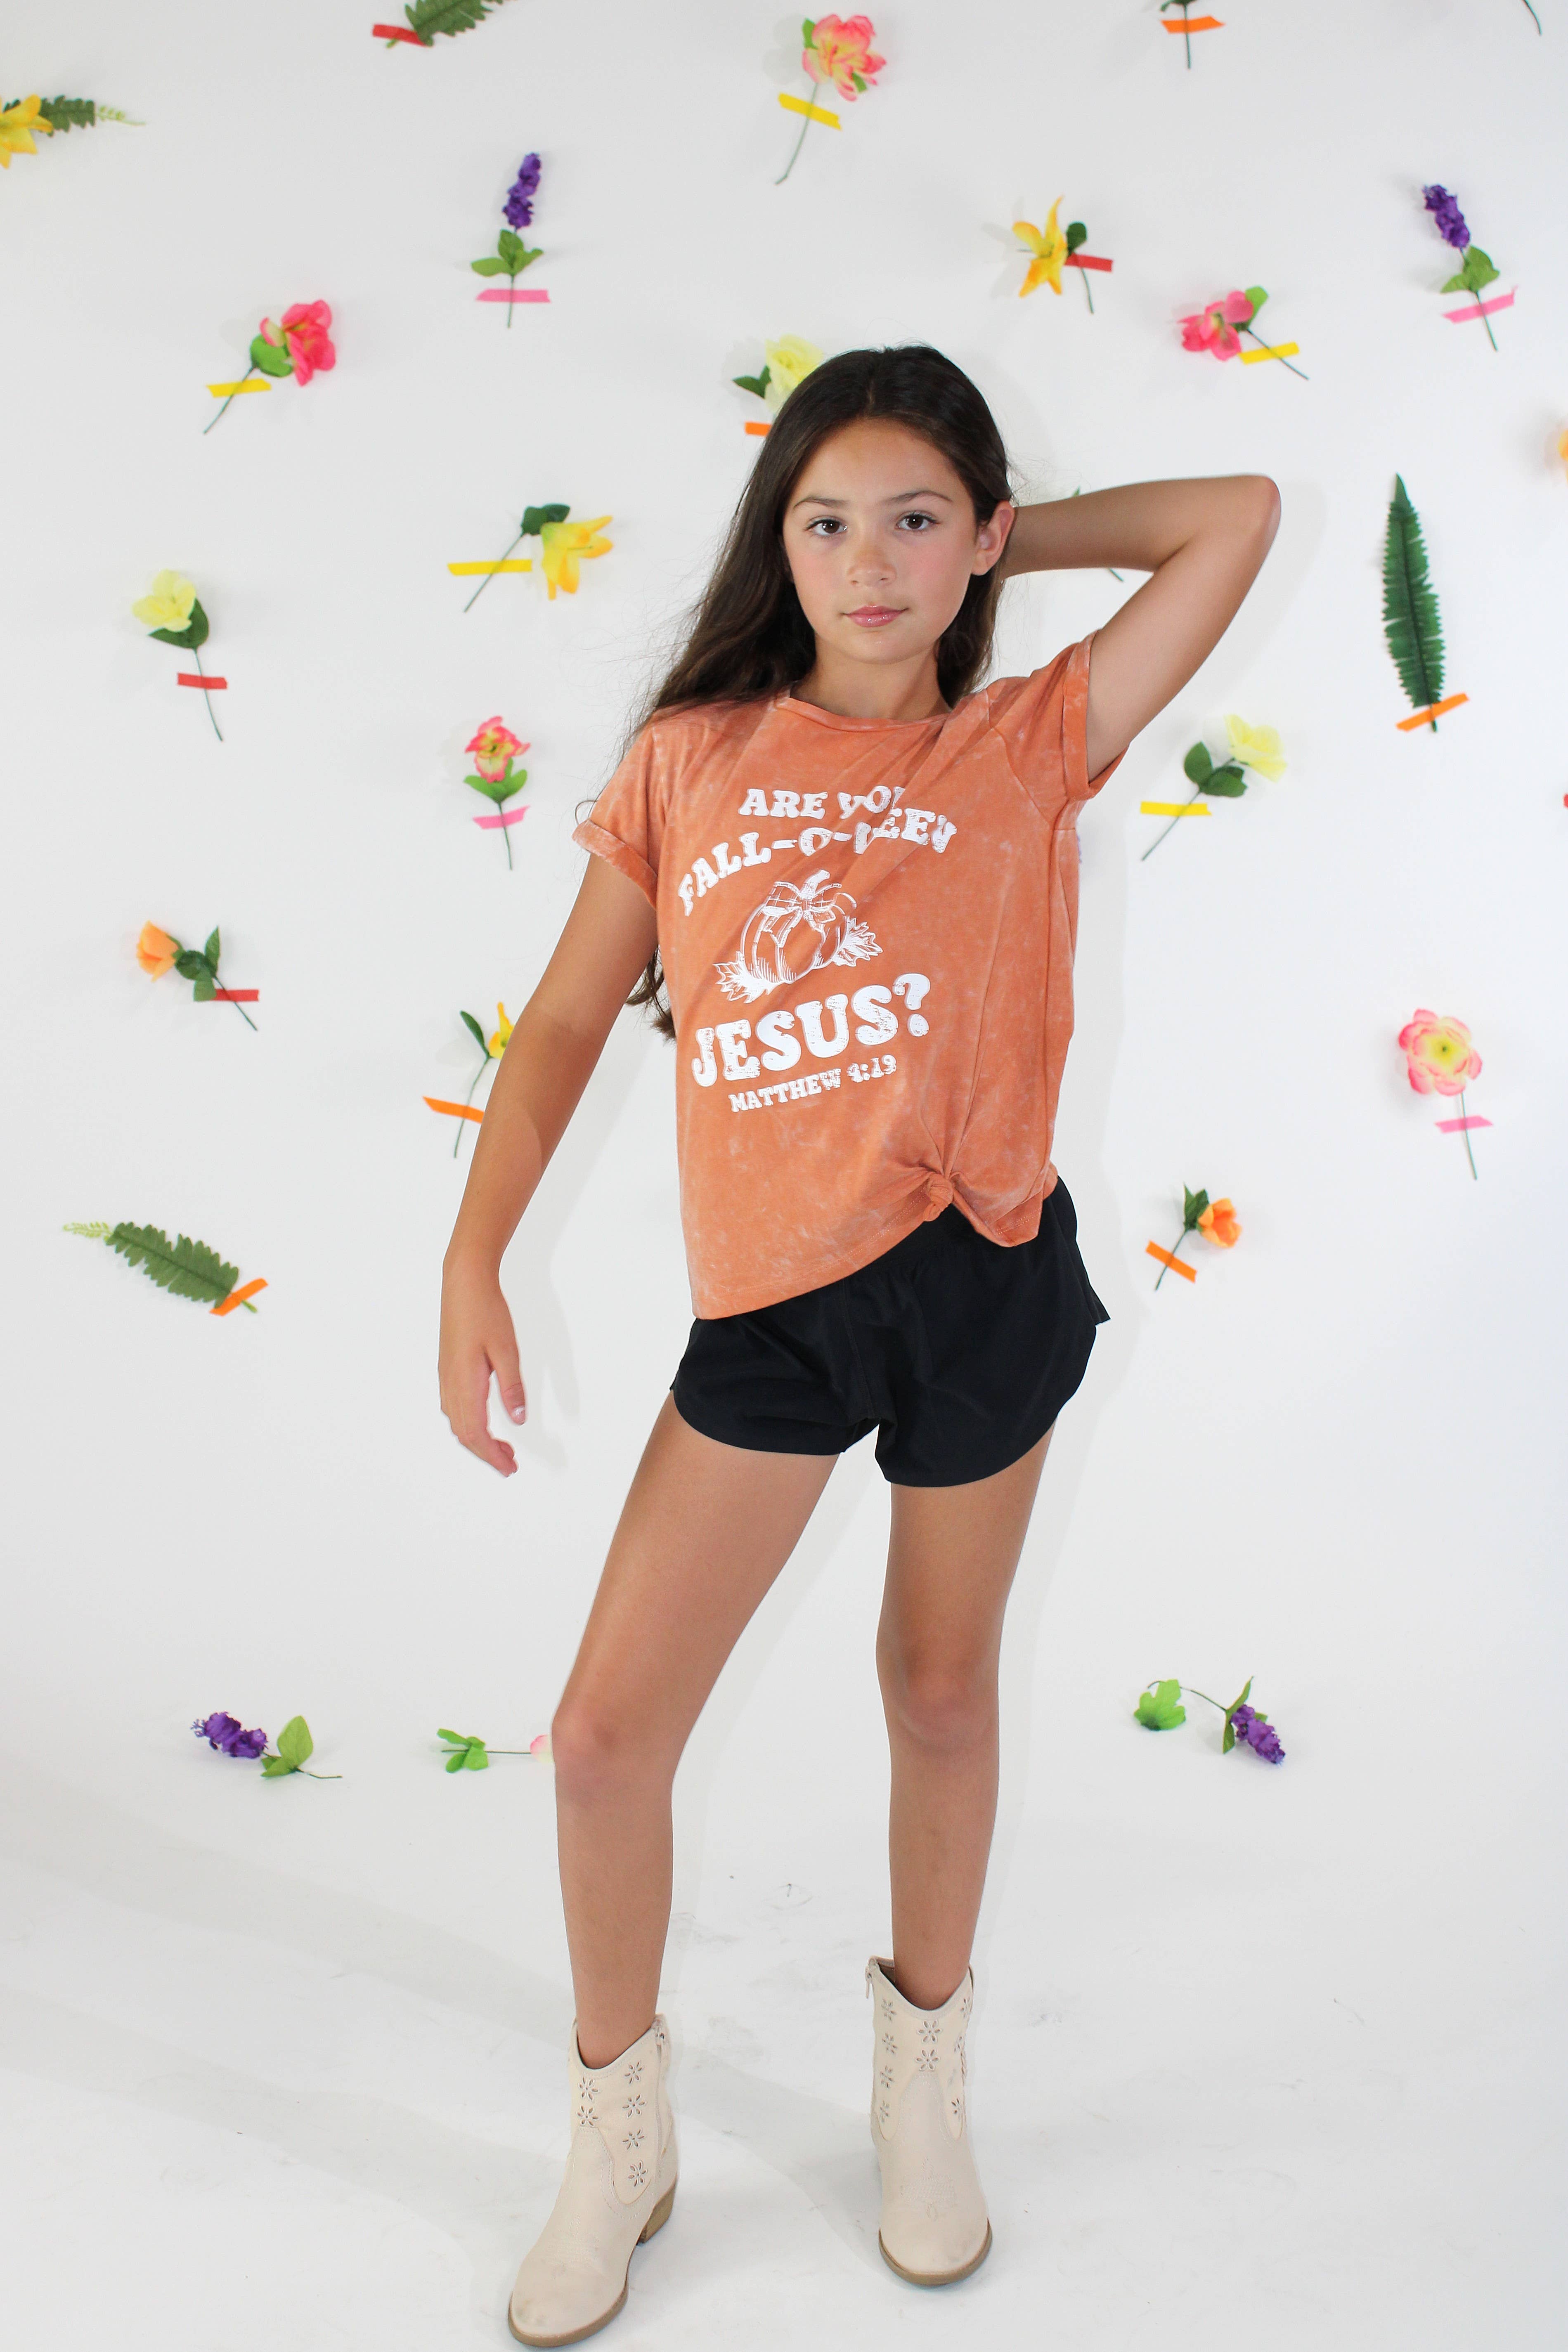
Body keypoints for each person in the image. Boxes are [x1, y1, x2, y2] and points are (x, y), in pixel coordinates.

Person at [438, 343, 1279, 2343]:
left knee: (937, 1691)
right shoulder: (694, 756)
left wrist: (1003, 547)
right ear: (778, 541)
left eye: (914, 520)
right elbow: (562, 1023)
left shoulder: (1026, 736)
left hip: (978, 1280)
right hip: (773, 1308)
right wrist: (474, 1254)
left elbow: (1231, 518)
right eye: (825, 522)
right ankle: (615, 2132)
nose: (869, 562)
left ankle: (920, 2080)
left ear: (975, 537)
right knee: (601, 1743)